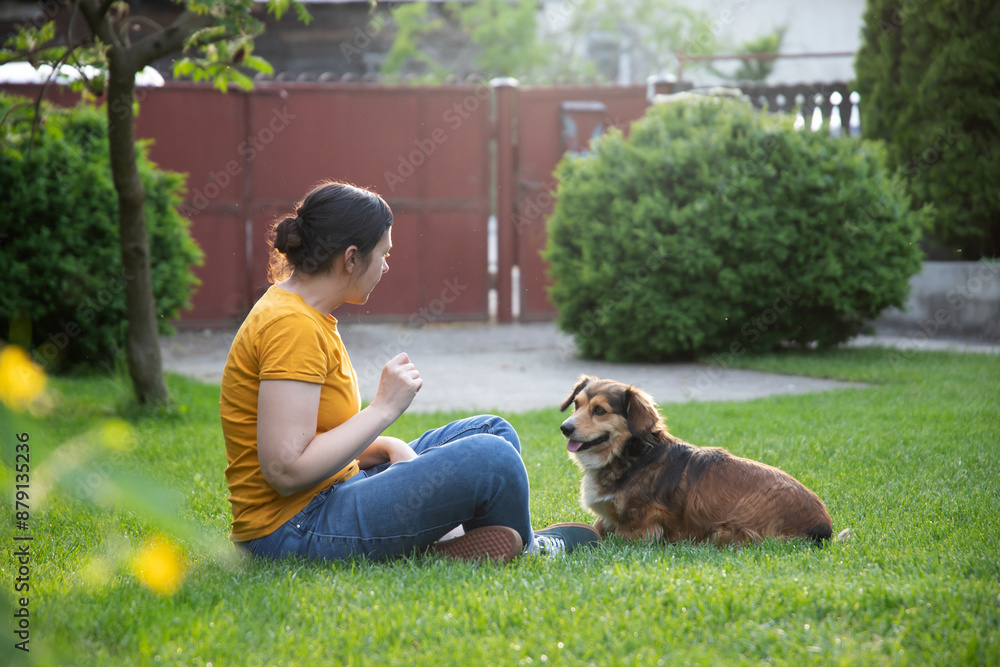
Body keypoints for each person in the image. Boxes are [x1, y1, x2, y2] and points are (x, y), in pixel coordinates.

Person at [221, 180, 599, 562]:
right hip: (294, 530)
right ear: (351, 258)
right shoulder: (292, 326)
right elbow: (285, 471)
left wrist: (387, 445)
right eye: (383, 253)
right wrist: (382, 410)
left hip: (332, 492)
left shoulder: (305, 315)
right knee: (493, 458)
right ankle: (524, 549)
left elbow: (314, 436)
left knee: (492, 430)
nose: (386, 265)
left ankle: (457, 543)